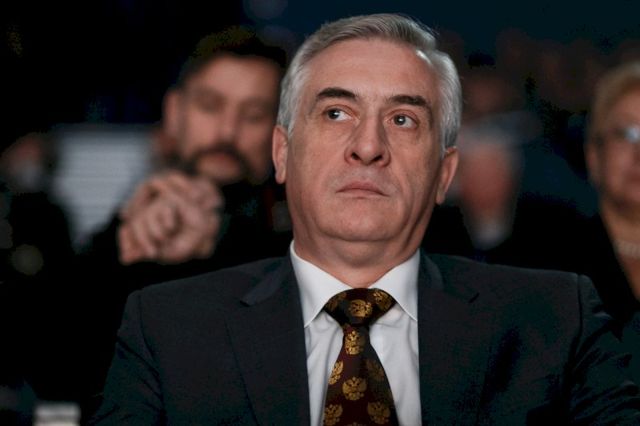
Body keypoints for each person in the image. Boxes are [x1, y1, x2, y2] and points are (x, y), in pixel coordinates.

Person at [92, 14, 640, 425]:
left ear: (444, 172)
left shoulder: (555, 319)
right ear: (282, 153)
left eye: (402, 119)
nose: (368, 146)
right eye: (336, 113)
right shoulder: (165, 327)